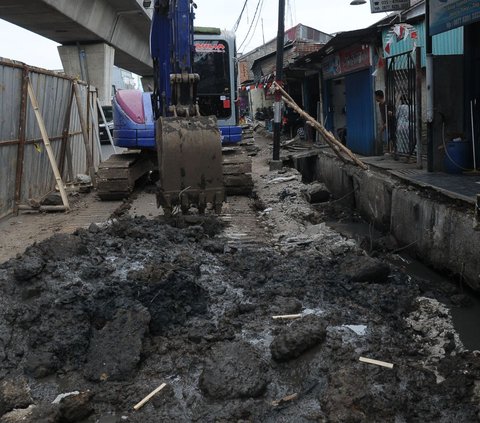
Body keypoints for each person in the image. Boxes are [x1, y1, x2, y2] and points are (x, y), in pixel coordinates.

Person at [375, 89, 397, 158]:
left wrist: (386, 123)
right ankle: (388, 150)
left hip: (391, 122)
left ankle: (395, 151)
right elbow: (382, 115)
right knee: (385, 137)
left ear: (378, 96)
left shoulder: (388, 103)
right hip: (385, 123)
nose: (375, 98)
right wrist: (383, 124)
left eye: (375, 96)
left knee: (392, 136)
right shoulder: (380, 104)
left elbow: (392, 113)